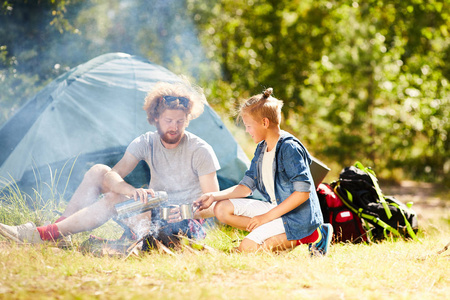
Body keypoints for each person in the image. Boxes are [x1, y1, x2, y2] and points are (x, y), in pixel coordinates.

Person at [0, 79, 220, 245]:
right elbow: (110, 177)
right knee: (98, 171)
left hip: (182, 222)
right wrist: (132, 191)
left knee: (114, 198)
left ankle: (44, 234)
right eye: (168, 121)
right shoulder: (146, 141)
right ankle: (57, 231)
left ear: (187, 120)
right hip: (150, 211)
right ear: (155, 119)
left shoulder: (200, 150)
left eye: (180, 122)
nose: (174, 127)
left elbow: (214, 205)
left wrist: (184, 211)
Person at [195, 88, 332, 255]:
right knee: (221, 209)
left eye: (249, 126)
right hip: (274, 209)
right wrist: (214, 196)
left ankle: (314, 235)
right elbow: (246, 187)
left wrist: (266, 218)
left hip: (295, 217)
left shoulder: (289, 148)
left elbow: (302, 193)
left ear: (265, 123)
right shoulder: (261, 148)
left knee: (248, 248)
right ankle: (270, 239)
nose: (247, 131)